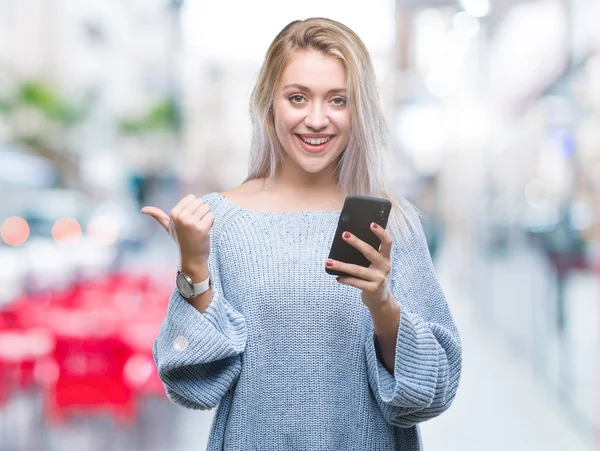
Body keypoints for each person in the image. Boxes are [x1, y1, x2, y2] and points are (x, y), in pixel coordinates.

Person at [141, 17, 462, 451]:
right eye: (297, 98)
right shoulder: (220, 220)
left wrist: (383, 305)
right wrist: (194, 267)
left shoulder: (392, 223)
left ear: (359, 109)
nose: (316, 120)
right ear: (269, 104)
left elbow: (433, 389)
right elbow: (191, 386)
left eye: (337, 100)